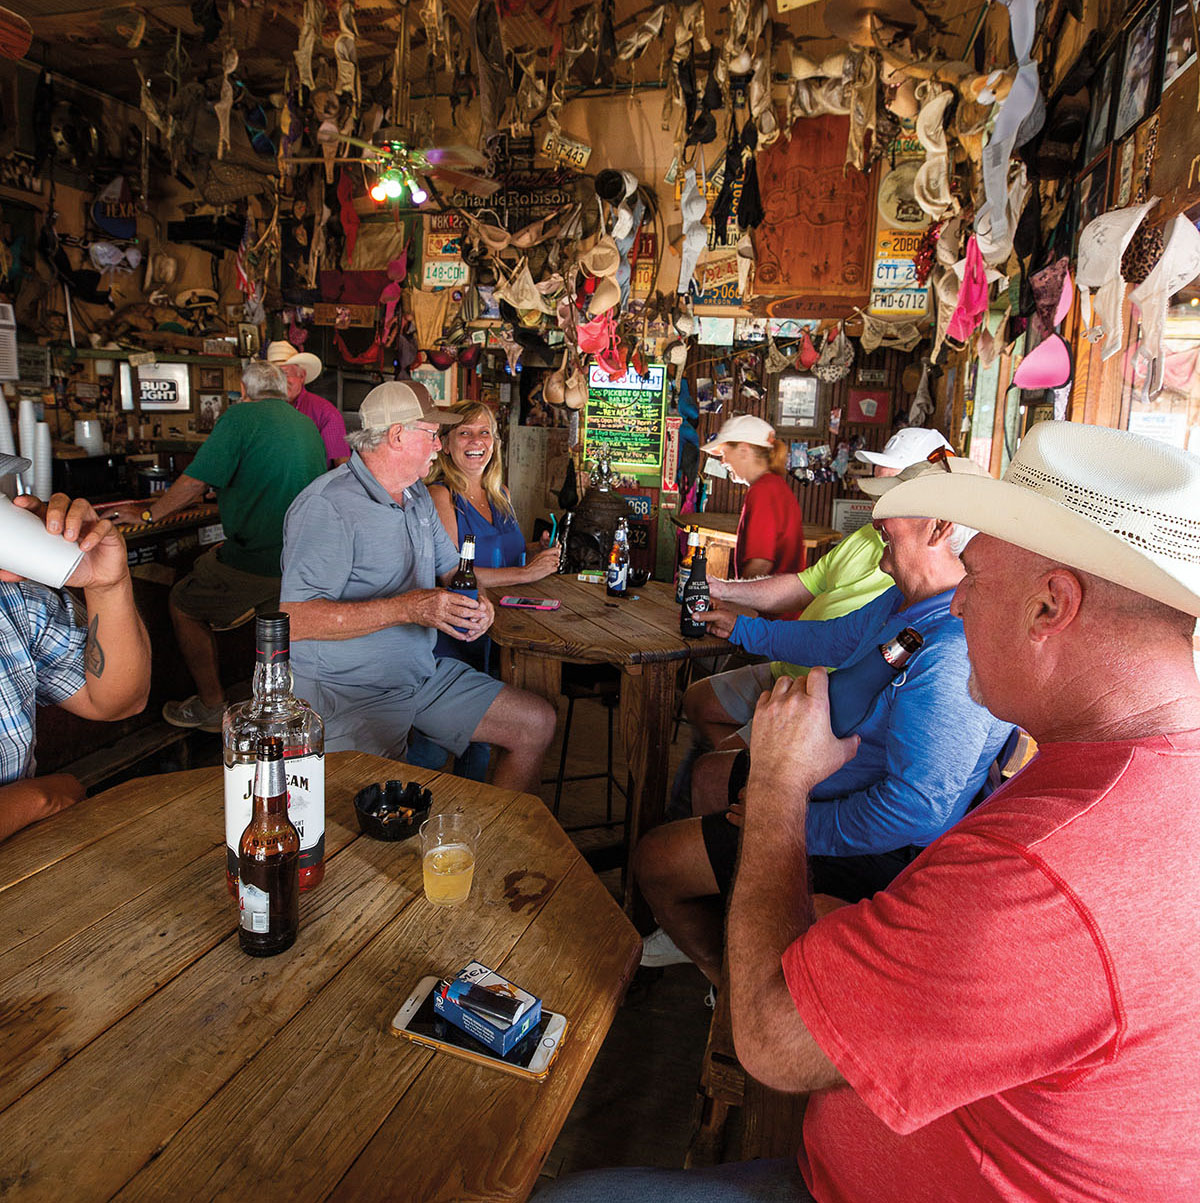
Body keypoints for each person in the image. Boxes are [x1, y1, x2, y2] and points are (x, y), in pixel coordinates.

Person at [537, 420, 1200, 1203]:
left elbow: (775, 1041)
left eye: (977, 580)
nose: (960, 604)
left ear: (1051, 606)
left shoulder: (1046, 871)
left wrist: (781, 787)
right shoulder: (1132, 784)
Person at [635, 456, 1014, 985]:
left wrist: (787, 824)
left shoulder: (952, 650)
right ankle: (739, 950)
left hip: (882, 844)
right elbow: (833, 638)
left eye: (897, 507)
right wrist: (743, 629)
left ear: (940, 527)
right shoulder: (908, 600)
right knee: (710, 776)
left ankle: (738, 988)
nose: (879, 514)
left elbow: (918, 810)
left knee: (655, 857)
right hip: (825, 779)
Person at [279, 380, 556, 794]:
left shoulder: (417, 496)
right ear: (397, 435)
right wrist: (407, 608)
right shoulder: (329, 505)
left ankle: (498, 844)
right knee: (377, 811)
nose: (438, 446)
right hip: (349, 693)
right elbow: (292, 620)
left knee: (535, 723)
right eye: (431, 434)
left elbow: (454, 573)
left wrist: (480, 607)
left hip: (419, 674)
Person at [683, 427, 953, 753]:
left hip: (823, 694)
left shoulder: (926, 588)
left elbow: (914, 787)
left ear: (935, 522)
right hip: (793, 662)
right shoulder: (878, 553)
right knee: (699, 708)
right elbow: (815, 607)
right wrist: (727, 598)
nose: (875, 513)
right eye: (878, 491)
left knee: (715, 769)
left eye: (891, 494)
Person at [105, 360, 327, 732]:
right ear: (284, 389)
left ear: (244, 390)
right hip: (298, 560)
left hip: (255, 559)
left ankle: (211, 705)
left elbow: (194, 483)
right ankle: (274, 706)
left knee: (182, 603)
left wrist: (148, 516)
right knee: (270, 618)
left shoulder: (240, 418)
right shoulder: (303, 423)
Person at [407, 400, 560, 779]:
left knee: (485, 743)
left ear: (496, 442)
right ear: (445, 442)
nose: (476, 441)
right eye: (465, 432)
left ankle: (472, 813)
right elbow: (453, 573)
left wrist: (534, 549)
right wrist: (526, 572)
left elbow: (499, 551)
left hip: (502, 633)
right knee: (432, 750)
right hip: (458, 635)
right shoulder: (440, 495)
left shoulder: (500, 493)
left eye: (485, 432)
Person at [0, 467, 151, 842]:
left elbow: (118, 701)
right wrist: (36, 799)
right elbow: (46, 799)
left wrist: (106, 584)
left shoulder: (12, 599)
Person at [700, 414, 805, 581]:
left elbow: (760, 564)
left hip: (768, 605)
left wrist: (731, 597)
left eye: (724, 453)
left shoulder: (763, 491)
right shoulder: (775, 486)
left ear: (743, 450)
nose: (722, 461)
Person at [265, 339, 350, 468]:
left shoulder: (326, 413)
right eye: (273, 375)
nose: (280, 381)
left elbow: (342, 467)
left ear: (302, 376)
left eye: (285, 374)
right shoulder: (262, 410)